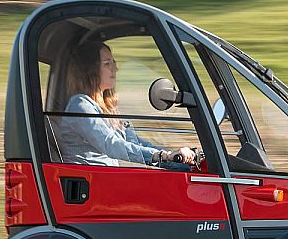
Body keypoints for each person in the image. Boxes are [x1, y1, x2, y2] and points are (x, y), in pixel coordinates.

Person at [56, 39, 197, 167]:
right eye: (107, 64)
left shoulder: (108, 107)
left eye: (114, 63)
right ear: (90, 70)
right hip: (90, 181)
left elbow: (134, 143)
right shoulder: (80, 105)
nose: (115, 69)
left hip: (107, 177)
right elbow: (111, 144)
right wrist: (163, 156)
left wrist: (174, 160)